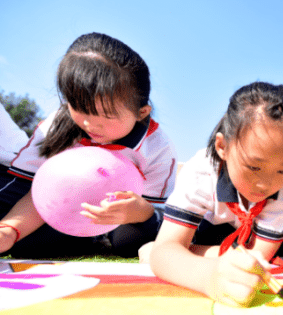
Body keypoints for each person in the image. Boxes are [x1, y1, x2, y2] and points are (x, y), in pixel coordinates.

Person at [0, 32, 177, 258]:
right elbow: (33, 189)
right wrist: (9, 230)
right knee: (26, 243)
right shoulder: (56, 126)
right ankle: (89, 239)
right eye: (79, 109)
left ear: (141, 112)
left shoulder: (158, 148)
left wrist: (139, 212)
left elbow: (160, 212)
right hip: (63, 210)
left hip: (127, 220)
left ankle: (98, 238)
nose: (89, 124)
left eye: (108, 116)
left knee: (128, 243)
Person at [148, 81, 283, 307]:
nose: (265, 185)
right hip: (208, 231)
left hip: (245, 239)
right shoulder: (201, 171)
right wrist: (208, 276)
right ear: (222, 147)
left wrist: (183, 254)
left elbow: (258, 257)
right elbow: (164, 252)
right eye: (254, 167)